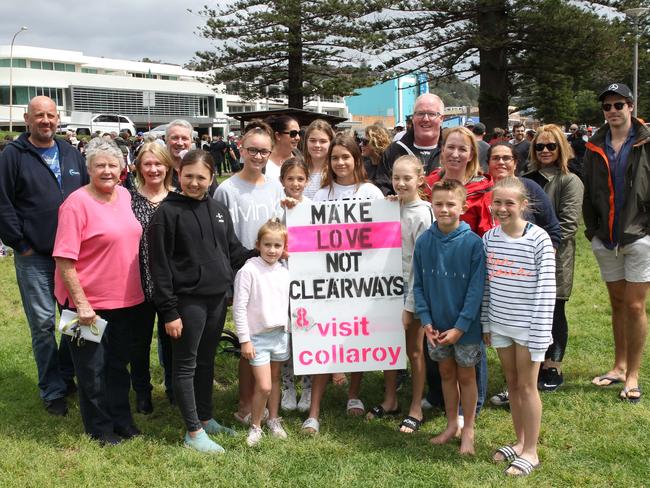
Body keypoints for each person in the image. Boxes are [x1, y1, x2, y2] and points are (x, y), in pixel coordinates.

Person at [148, 150, 253, 453]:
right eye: (189, 176)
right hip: (186, 302)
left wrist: (264, 251)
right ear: (178, 174)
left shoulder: (218, 208)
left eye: (201, 177)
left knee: (206, 361)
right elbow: (159, 267)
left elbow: (233, 252)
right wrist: (169, 311)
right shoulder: (166, 214)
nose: (195, 183)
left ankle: (205, 419)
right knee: (186, 364)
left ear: (211, 178)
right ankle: (193, 432)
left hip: (217, 299)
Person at [53, 138, 147, 445]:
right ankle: (99, 429)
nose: (107, 171)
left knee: (119, 365)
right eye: (99, 165)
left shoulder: (124, 195)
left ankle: (122, 419)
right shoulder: (75, 204)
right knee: (91, 371)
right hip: (84, 304)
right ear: (88, 168)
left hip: (125, 299)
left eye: (112, 164)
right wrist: (81, 304)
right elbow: (64, 260)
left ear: (122, 168)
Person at [0, 95, 88, 416]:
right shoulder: (13, 155)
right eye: (39, 116)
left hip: (73, 255)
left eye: (51, 115)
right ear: (27, 119)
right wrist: (20, 244)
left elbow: (88, 195)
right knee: (42, 324)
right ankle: (52, 389)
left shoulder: (70, 153)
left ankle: (67, 375)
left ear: (58, 118)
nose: (46, 121)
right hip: (34, 255)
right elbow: (3, 203)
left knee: (76, 319)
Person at [303, 135, 384, 434]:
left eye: (345, 157)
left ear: (356, 159)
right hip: (328, 279)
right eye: (335, 157)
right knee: (323, 340)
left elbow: (381, 235)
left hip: (361, 279)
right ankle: (314, 411)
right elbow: (311, 236)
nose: (340, 162)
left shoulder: (371, 193)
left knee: (356, 338)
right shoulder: (322, 195)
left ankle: (354, 395)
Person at [482, 177, 556, 476]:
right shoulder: (489, 238)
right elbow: (486, 286)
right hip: (501, 324)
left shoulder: (539, 239)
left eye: (509, 203)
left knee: (527, 387)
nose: (502, 208)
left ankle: (531, 451)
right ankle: (519, 440)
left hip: (529, 329)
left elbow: (546, 291)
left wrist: (539, 332)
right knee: (512, 386)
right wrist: (486, 322)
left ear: (523, 206)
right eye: (497, 202)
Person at [583, 83, 650, 403]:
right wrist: (593, 231)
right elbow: (589, 190)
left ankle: (633, 375)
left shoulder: (646, 141)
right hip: (606, 238)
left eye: (618, 105)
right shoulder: (595, 144)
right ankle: (619, 366)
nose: (613, 111)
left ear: (631, 107)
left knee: (636, 305)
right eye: (608, 106)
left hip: (639, 236)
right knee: (618, 304)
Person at [214, 126, 284, 425]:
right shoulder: (226, 190)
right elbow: (219, 239)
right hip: (241, 276)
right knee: (248, 341)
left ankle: (267, 405)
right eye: (252, 150)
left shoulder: (276, 187)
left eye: (264, 151)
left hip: (271, 276)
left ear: (270, 154)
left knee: (268, 338)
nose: (258, 156)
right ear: (240, 149)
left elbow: (283, 229)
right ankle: (244, 404)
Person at [422, 126, 492, 416]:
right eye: (450, 146)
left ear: (472, 154)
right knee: (436, 336)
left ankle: (472, 402)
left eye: (463, 148)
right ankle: (439, 394)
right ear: (442, 149)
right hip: (435, 272)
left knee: (469, 340)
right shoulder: (427, 185)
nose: (455, 153)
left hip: (468, 273)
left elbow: (488, 231)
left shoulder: (482, 187)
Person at [485, 142, 561, 407]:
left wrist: (539, 260)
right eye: (496, 158)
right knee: (513, 373)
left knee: (526, 379)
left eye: (507, 157)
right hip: (499, 286)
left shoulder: (531, 190)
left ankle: (539, 378)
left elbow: (553, 229)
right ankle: (512, 393)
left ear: (516, 162)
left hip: (530, 283)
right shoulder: (483, 194)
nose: (502, 162)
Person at [414, 179, 485, 455]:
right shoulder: (424, 242)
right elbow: (418, 284)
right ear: (431, 205)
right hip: (436, 326)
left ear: (463, 206)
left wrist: (461, 326)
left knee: (466, 376)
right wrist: (426, 320)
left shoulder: (473, 244)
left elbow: (475, 290)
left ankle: (468, 428)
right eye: (439, 204)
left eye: (450, 204)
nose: (444, 209)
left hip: (464, 329)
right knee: (445, 373)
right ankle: (451, 424)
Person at [366, 155, 433, 435]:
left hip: (413, 289)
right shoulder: (389, 207)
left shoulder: (423, 214)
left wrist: (410, 304)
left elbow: (422, 264)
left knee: (414, 350)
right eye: (396, 178)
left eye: (407, 178)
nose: (401, 183)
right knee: (390, 346)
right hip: (386, 287)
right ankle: (391, 399)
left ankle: (416, 406)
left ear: (420, 179)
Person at [524, 124, 584, 391]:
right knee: (532, 313)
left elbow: (569, 224)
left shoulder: (569, 180)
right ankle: (535, 365)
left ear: (562, 148)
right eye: (540, 146)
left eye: (551, 146)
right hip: (523, 258)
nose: (545, 151)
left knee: (555, 311)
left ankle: (554, 366)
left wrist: (542, 249)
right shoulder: (526, 178)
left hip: (555, 257)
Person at [234, 219, 291, 446]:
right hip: (257, 337)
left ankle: (274, 419)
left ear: (284, 248)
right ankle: (256, 425)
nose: (272, 250)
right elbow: (239, 307)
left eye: (277, 246)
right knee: (264, 385)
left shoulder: (284, 271)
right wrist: (245, 340)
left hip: (279, 335)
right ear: (258, 244)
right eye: (267, 244)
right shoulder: (248, 270)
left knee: (275, 380)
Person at [129, 142, 175, 412]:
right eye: (148, 164)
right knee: (140, 342)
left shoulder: (178, 199)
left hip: (170, 285)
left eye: (158, 163)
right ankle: (142, 392)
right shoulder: (128, 200)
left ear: (167, 166)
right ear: (139, 167)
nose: (153, 169)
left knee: (171, 341)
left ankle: (172, 388)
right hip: (138, 282)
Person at [277, 158, 313, 412]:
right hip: (284, 283)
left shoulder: (314, 208)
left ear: (307, 181)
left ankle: (308, 387)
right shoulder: (277, 209)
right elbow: (270, 241)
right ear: (282, 182)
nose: (295, 183)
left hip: (309, 282)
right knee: (287, 337)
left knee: (308, 333)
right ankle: (288, 387)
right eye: (290, 179)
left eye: (300, 179)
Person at [376, 93, 445, 195]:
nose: (425, 119)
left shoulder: (451, 151)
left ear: (442, 118)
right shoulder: (394, 151)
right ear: (413, 118)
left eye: (431, 114)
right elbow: (383, 188)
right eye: (420, 113)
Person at [302, 119, 334, 199]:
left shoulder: (335, 171)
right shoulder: (299, 169)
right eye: (312, 141)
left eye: (323, 141)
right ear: (306, 142)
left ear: (331, 143)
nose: (317, 145)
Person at [266, 115, 301, 181]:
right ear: (278, 135)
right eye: (293, 133)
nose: (298, 138)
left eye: (299, 133)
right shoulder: (262, 161)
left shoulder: (301, 160)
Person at [165, 119, 193, 187]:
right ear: (166, 140)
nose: (180, 143)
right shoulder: (158, 169)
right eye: (175, 138)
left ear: (191, 141)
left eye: (184, 138)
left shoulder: (201, 167)